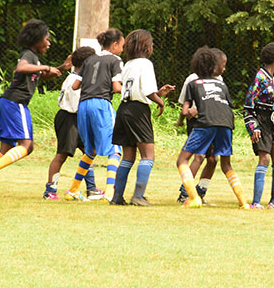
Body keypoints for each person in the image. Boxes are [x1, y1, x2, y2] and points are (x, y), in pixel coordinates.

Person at [0, 19, 64, 196]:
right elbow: (21, 68)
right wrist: (46, 66)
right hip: (15, 103)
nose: (49, 43)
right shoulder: (28, 54)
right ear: (37, 39)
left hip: (6, 102)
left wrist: (61, 68)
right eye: (47, 39)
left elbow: (41, 75)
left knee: (6, 149)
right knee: (27, 145)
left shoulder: (34, 57)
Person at [176, 47, 248, 209]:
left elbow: (184, 110)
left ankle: (194, 197)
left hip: (205, 122)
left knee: (183, 160)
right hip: (225, 123)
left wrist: (182, 119)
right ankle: (244, 202)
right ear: (214, 66)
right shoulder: (219, 83)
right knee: (223, 163)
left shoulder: (195, 83)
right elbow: (227, 106)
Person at [109, 29, 174, 206]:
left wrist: (159, 93)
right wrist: (160, 101)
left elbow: (137, 89)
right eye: (151, 43)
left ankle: (117, 197)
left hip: (124, 109)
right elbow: (146, 91)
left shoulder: (128, 64)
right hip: (138, 111)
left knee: (128, 157)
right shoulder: (145, 64)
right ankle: (138, 196)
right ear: (146, 46)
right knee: (148, 156)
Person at [64, 29, 125, 202]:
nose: (122, 49)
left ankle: (73, 190)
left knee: (90, 150)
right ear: (114, 45)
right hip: (101, 104)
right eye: (121, 45)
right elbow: (116, 88)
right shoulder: (116, 60)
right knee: (115, 148)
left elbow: (75, 86)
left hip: (83, 106)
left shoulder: (90, 60)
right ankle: (110, 191)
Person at [42, 46, 105, 201]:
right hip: (69, 120)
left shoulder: (76, 77)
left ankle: (91, 188)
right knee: (62, 155)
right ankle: (50, 190)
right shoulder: (76, 80)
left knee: (89, 153)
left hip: (78, 119)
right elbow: (77, 105)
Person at [243, 42, 274, 209]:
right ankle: (256, 202)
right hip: (262, 121)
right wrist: (253, 127)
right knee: (264, 158)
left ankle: (273, 201)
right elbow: (248, 105)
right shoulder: (259, 77)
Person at [173, 48, 227, 204]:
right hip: (197, 122)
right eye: (222, 65)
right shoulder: (192, 79)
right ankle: (185, 193)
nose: (223, 69)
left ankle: (200, 192)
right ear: (213, 64)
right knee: (199, 155)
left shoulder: (219, 80)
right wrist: (181, 119)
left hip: (213, 122)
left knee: (213, 159)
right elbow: (185, 103)